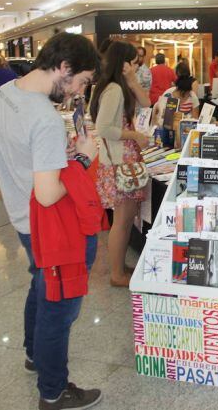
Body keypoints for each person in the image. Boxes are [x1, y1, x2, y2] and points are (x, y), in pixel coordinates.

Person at [0, 32, 103, 410]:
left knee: (41, 285)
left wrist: (59, 157)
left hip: (22, 219)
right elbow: (49, 193)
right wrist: (83, 158)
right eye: (81, 81)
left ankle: (35, 355)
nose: (76, 93)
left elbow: (25, 157)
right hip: (50, 224)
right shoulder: (45, 118)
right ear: (64, 68)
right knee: (60, 308)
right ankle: (53, 392)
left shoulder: (6, 93)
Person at [91, 40, 151, 287]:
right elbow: (103, 128)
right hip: (119, 161)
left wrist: (133, 79)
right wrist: (134, 135)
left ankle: (120, 267)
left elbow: (147, 103)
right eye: (134, 62)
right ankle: (117, 274)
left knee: (125, 219)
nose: (136, 66)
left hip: (122, 160)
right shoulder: (114, 89)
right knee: (122, 220)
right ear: (123, 62)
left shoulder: (118, 85)